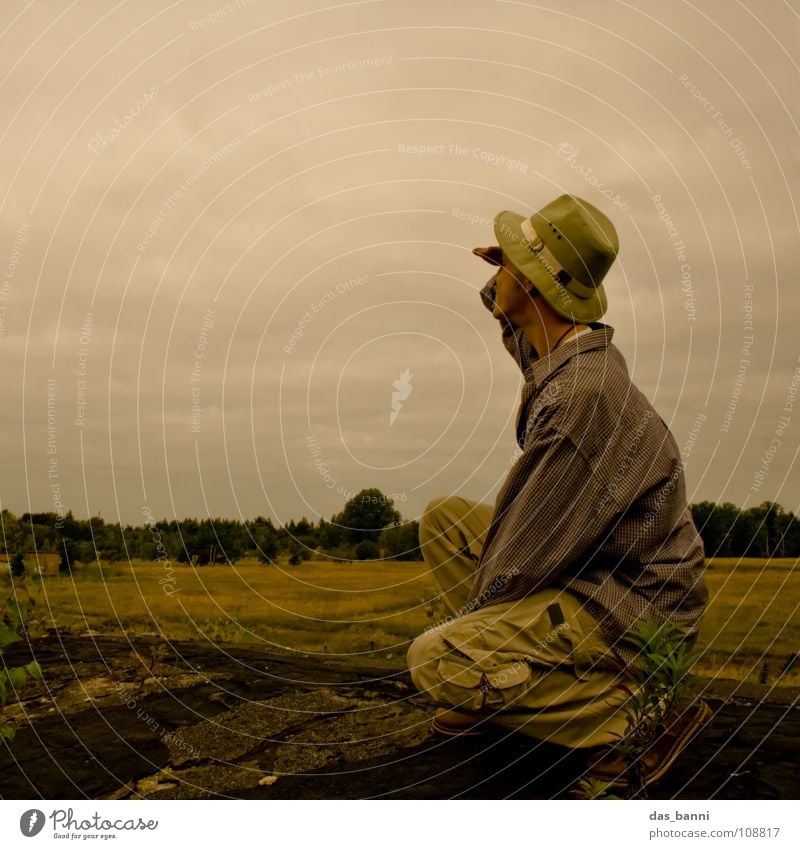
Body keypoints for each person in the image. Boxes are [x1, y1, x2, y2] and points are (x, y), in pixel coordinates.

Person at [406, 193, 709, 786]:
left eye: (509, 268)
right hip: (597, 569)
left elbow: (524, 557)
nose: (498, 277)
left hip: (631, 603)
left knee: (435, 659)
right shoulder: (567, 354)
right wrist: (506, 284)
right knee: (446, 519)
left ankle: (627, 716)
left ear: (538, 289)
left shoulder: (581, 398)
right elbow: (521, 334)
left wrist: (471, 643)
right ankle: (517, 685)